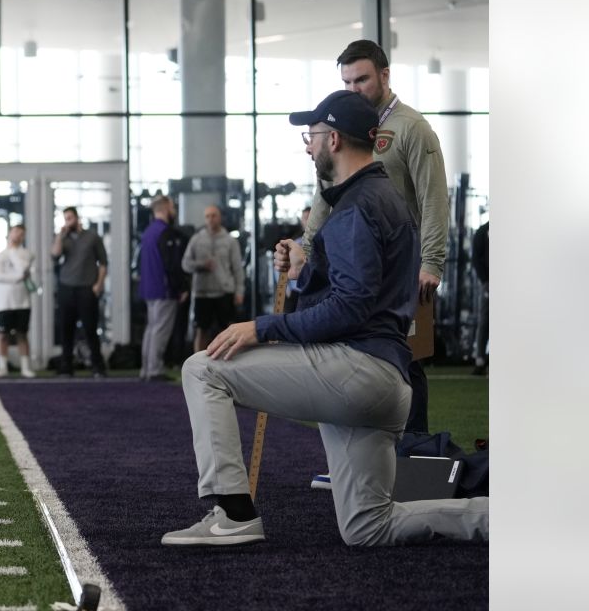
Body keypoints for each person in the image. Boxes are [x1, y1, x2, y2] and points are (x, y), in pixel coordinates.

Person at [161, 90, 488, 548]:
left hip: (356, 372)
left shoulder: (354, 209)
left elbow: (349, 309)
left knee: (203, 369)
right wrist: (305, 272)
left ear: (333, 139)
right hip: (388, 383)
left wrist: (261, 327)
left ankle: (233, 515)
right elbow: (358, 294)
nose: (308, 145)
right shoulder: (382, 199)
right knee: (367, 527)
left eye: (311, 136)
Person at [304, 39, 449, 436]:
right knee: (348, 353)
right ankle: (359, 455)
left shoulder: (412, 128)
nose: (353, 89)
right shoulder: (344, 125)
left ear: (384, 75)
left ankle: (414, 453)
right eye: (347, 82)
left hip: (402, 267)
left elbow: (434, 198)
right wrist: (305, 247)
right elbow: (324, 192)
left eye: (361, 80)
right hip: (352, 262)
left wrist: (431, 262)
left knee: (406, 358)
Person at [50, 206, 108, 378]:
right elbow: (55, 255)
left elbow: (103, 263)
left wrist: (98, 284)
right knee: (66, 329)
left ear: (77, 218)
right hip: (67, 288)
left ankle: (97, 366)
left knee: (90, 329)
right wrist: (61, 235)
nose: (68, 221)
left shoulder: (92, 237)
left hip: (86, 288)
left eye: (70, 218)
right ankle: (66, 367)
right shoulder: (62, 238)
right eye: (65, 218)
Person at [181, 205, 245, 354]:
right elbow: (185, 264)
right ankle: (198, 366)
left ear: (220, 217)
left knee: (228, 330)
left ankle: (228, 364)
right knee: (201, 331)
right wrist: (201, 265)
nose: (210, 219)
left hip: (224, 292)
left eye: (214, 215)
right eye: (207, 216)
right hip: (202, 293)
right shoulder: (196, 239)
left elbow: (237, 269)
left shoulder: (230, 241)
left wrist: (239, 291)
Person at [139, 195, 190, 381]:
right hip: (163, 288)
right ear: (166, 207)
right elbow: (171, 264)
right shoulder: (165, 233)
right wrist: (181, 287)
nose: (174, 209)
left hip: (149, 288)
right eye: (172, 206)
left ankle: (146, 369)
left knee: (151, 328)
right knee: (160, 330)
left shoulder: (148, 232)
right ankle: (154, 370)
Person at [0, 224, 36, 379]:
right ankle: (2, 367)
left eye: (21, 234)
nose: (17, 236)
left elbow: (23, 269)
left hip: (22, 302)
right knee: (2, 334)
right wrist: (17, 278)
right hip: (3, 303)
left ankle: (25, 368)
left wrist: (14, 251)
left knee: (22, 334)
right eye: (16, 232)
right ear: (9, 233)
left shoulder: (27, 254)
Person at [471, 220, 489, 375]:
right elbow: (476, 258)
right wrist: (485, 281)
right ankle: (480, 359)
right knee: (485, 320)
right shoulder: (483, 231)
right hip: (489, 283)